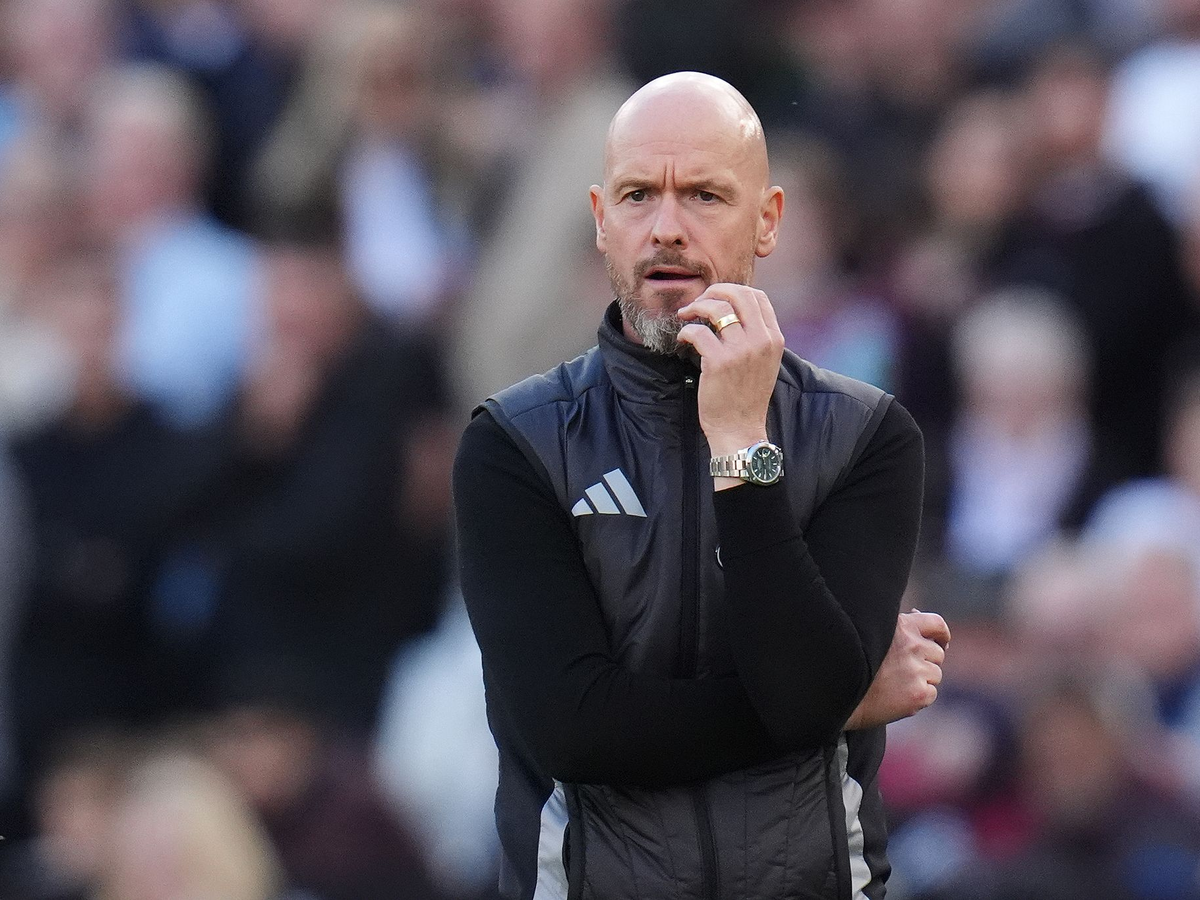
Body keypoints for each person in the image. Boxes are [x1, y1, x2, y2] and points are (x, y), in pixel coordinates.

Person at [454, 72, 949, 900]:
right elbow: (577, 731)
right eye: (638, 196)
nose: (667, 229)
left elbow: (803, 693)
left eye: (705, 196)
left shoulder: (867, 436)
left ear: (768, 220)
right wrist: (841, 703)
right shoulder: (515, 443)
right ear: (601, 221)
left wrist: (741, 445)